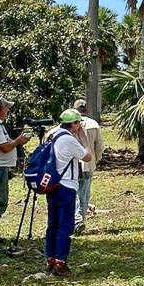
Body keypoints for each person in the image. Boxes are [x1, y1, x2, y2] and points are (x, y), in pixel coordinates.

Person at [43, 109, 92, 275]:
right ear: (73, 124)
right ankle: (60, 263)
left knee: (53, 224)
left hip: (52, 185)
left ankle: (50, 259)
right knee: (65, 225)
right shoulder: (68, 139)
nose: (80, 126)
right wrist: (84, 139)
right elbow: (87, 156)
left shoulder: (53, 136)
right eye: (78, 123)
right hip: (66, 186)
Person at [0, 97, 30, 243]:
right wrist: (18, 141)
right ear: (0, 109)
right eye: (6, 108)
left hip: (1, 167)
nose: (8, 110)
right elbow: (4, 147)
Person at [72, 98, 105, 234]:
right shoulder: (93, 124)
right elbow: (100, 146)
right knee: (84, 194)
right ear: (86, 110)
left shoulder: (70, 124)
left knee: (73, 193)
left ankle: (76, 220)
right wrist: (95, 160)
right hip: (87, 164)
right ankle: (80, 220)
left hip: (73, 164)